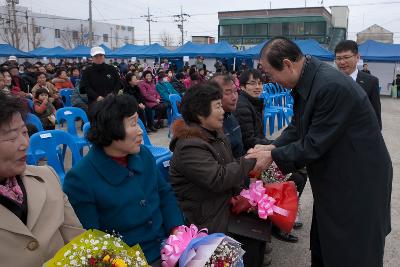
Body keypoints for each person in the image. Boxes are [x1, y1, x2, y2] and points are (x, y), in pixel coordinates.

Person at [248, 37, 392, 267]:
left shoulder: (329, 86)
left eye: (269, 73)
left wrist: (272, 157)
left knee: (352, 251)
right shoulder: (308, 79)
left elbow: (314, 144)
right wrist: (273, 146)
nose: (269, 80)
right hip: (338, 175)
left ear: (287, 64)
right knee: (327, 245)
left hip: (358, 180)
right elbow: (298, 126)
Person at [63, 94, 183, 265]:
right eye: (133, 123)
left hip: (169, 247)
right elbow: (92, 239)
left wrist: (175, 228)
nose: (141, 130)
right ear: (111, 128)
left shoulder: (143, 155)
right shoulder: (80, 179)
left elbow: (164, 194)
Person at [169, 82, 268, 267]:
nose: (222, 111)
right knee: (250, 240)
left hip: (222, 203)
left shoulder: (214, 133)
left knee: (260, 221)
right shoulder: (189, 145)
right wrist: (251, 160)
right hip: (205, 217)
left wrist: (245, 197)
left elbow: (230, 166)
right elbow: (218, 178)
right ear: (200, 114)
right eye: (217, 107)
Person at [0, 92, 84, 266]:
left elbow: (77, 241)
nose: (24, 143)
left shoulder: (47, 177)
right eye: (11, 136)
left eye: (24, 132)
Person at [335, 40, 382, 130]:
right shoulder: (329, 80)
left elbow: (375, 114)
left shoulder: (371, 81)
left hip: (360, 136)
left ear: (357, 57)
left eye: (346, 57)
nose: (342, 62)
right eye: (338, 58)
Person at [234, 69, 272, 151]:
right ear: (242, 87)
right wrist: (274, 144)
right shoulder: (242, 107)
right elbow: (249, 141)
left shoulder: (253, 102)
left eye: (260, 83)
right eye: (252, 83)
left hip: (257, 147)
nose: (257, 87)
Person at [211, 74, 243, 159]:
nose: (234, 97)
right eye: (228, 93)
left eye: (235, 91)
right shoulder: (210, 125)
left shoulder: (230, 115)